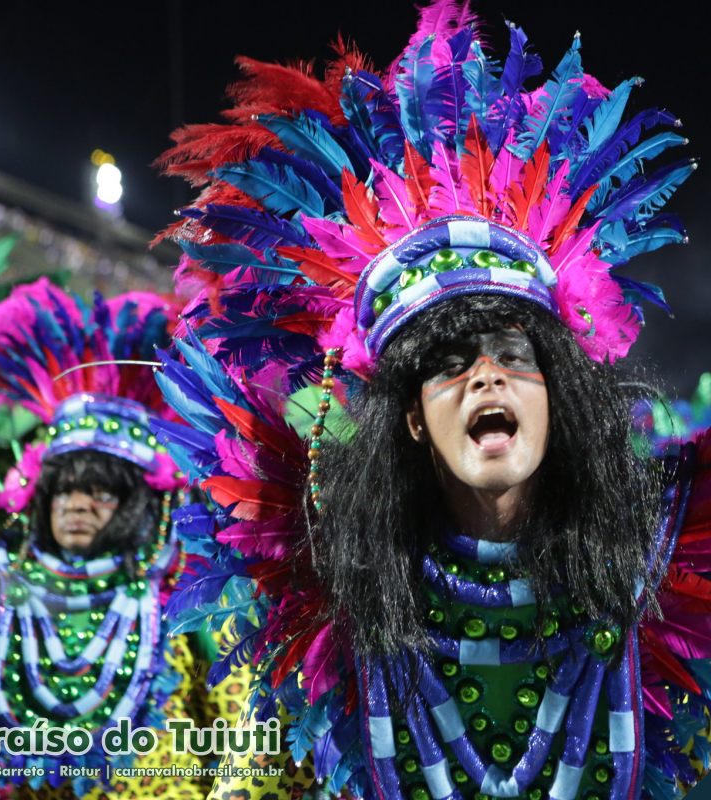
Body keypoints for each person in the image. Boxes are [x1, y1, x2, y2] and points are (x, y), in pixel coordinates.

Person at [151, 1, 710, 798]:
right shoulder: (327, 607)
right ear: (411, 418)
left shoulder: (661, 574)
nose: (487, 377)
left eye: (516, 356)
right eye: (449, 364)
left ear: (561, 396)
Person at [0, 279, 246, 800]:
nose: (76, 504)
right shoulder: (5, 596)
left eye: (100, 492)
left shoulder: (187, 600)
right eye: (63, 489)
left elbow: (245, 742)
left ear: (139, 505)